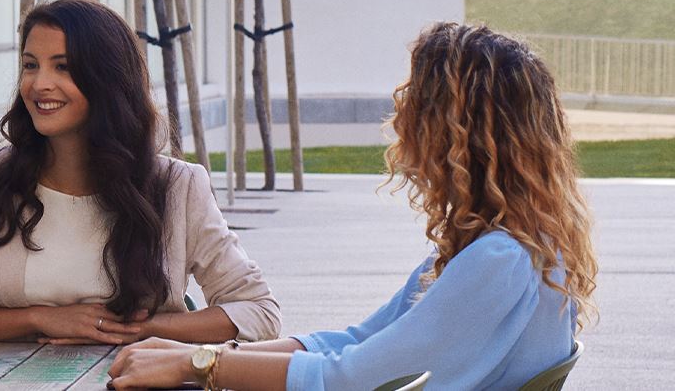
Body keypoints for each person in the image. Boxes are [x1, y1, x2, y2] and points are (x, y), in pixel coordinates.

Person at [107, 22, 597, 391]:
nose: (400, 114)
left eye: (414, 101)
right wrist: (204, 352)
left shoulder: (498, 261)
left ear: (454, 131)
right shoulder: (521, 247)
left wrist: (200, 366)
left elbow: (350, 378)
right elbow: (356, 341)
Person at [0, 0, 279, 346]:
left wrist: (137, 330)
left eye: (63, 67)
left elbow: (258, 312)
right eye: (31, 65)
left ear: (108, 79)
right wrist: (39, 319)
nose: (39, 84)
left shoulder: (177, 186)